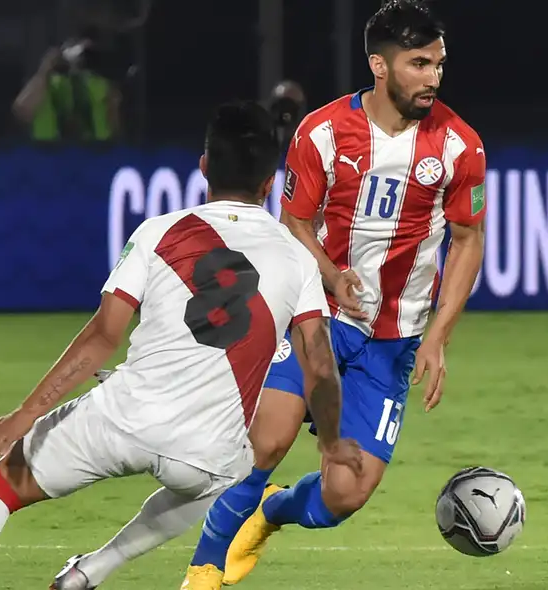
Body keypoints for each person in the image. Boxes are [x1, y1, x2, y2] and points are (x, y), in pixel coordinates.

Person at [0, 100, 361, 590]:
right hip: (202, 454)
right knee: (231, 472)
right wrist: (332, 441)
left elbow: (102, 336)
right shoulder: (297, 259)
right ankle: (93, 570)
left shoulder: (160, 232)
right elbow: (319, 367)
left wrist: (27, 412)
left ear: (205, 168)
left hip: (122, 420)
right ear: (267, 184)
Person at [184, 0, 488, 587]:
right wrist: (329, 273)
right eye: (419, 64)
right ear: (379, 64)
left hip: (394, 342)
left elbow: (468, 238)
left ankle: (271, 511)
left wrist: (439, 337)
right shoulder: (322, 133)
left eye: (439, 65)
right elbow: (294, 221)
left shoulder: (459, 145)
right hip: (317, 318)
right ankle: (204, 568)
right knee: (268, 437)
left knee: (343, 495)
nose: (433, 78)